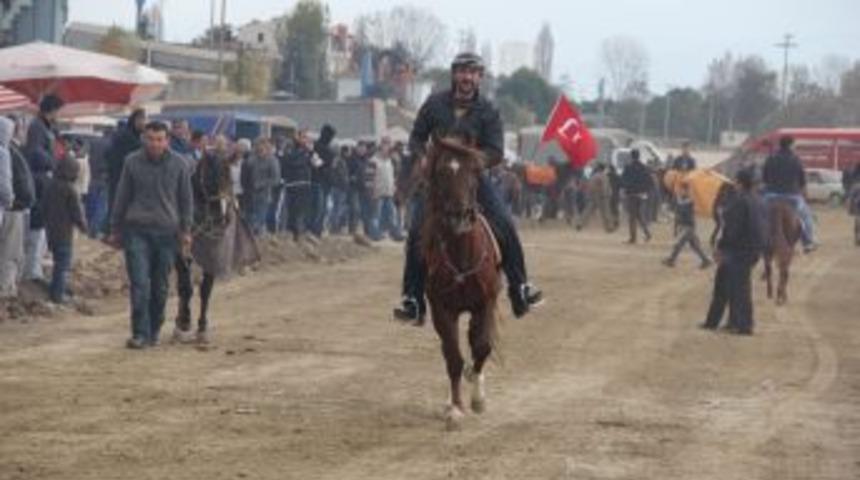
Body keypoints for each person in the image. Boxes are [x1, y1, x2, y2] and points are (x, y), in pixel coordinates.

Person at [393, 52, 543, 323]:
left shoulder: (488, 111)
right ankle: (412, 299)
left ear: (479, 78)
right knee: (416, 231)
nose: (466, 77)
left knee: (505, 224)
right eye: (462, 71)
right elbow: (416, 138)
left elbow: (496, 150)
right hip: (438, 182)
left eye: (472, 72)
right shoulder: (434, 104)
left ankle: (520, 288)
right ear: (454, 74)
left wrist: (472, 163)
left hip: (473, 180)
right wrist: (423, 155)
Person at [109, 121, 193, 350]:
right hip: (136, 231)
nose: (155, 144)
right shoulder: (132, 162)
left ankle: (154, 329)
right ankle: (139, 333)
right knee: (139, 284)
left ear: (167, 141)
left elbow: (186, 200)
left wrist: (186, 230)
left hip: (167, 234)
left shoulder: (180, 164)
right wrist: (115, 228)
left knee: (160, 287)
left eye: (159, 139)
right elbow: (122, 195)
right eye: (150, 139)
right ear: (143, 139)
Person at [703, 168, 765, 335]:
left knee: (738, 289)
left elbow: (732, 230)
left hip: (737, 250)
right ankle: (715, 322)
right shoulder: (758, 200)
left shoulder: (739, 201)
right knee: (727, 284)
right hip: (752, 250)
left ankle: (744, 325)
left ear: (739, 183)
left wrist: (721, 248)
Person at [24, 94, 64, 283]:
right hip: (39, 180)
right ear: (51, 110)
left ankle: (35, 265)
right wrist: (54, 161)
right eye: (57, 111)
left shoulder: (48, 128)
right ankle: (31, 269)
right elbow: (35, 153)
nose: (58, 115)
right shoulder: (37, 127)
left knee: (42, 226)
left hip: (45, 180)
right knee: (37, 224)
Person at [41, 157, 87, 304]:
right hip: (65, 232)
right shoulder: (70, 190)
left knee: (57, 263)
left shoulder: (50, 185)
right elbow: (77, 213)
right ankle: (58, 295)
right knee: (63, 265)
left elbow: (43, 207)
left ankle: (55, 290)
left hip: (50, 231)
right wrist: (84, 227)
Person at [761, 135, 817, 253]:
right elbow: (802, 181)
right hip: (792, 197)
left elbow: (764, 178)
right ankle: (808, 241)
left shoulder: (770, 158)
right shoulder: (796, 159)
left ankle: (754, 239)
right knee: (806, 217)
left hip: (770, 196)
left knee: (759, 215)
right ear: (791, 145)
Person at [0, 117, 35, 298]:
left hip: (11, 208)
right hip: (11, 210)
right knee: (10, 252)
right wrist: (11, 201)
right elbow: (6, 185)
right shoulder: (6, 152)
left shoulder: (12, 152)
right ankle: (5, 291)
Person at [106, 108, 146, 228]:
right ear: (135, 120)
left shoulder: (129, 135)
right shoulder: (129, 138)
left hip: (119, 180)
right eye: (142, 119)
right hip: (121, 180)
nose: (144, 123)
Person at [662, 182, 712, 269]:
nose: (680, 191)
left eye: (682, 190)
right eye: (679, 189)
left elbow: (682, 210)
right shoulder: (679, 199)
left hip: (688, 226)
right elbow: (675, 211)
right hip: (683, 226)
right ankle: (706, 260)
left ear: (686, 191)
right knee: (694, 246)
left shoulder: (689, 201)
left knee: (678, 244)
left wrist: (676, 204)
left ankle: (671, 260)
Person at [281, 129, 314, 243]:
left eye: (306, 137)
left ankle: (301, 232)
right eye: (303, 137)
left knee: (303, 210)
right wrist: (304, 155)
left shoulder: (308, 151)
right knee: (293, 210)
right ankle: (294, 233)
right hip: (293, 183)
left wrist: (310, 154)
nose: (306, 140)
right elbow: (290, 161)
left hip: (305, 183)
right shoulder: (291, 148)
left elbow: (317, 164)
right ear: (297, 137)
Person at [371, 136, 404, 241]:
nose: (388, 147)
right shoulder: (374, 160)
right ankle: (375, 234)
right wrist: (371, 191)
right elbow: (368, 178)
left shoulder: (390, 161)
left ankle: (395, 233)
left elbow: (394, 176)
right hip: (377, 192)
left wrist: (394, 187)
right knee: (376, 215)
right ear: (381, 145)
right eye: (386, 144)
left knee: (392, 215)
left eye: (389, 144)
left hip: (389, 193)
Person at [620, 149, 653, 244]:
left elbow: (623, 180)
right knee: (638, 215)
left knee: (632, 217)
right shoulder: (644, 167)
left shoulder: (628, 167)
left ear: (631, 156)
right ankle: (647, 233)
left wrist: (625, 189)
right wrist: (644, 191)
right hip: (641, 195)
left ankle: (633, 238)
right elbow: (650, 181)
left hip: (631, 194)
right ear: (639, 156)